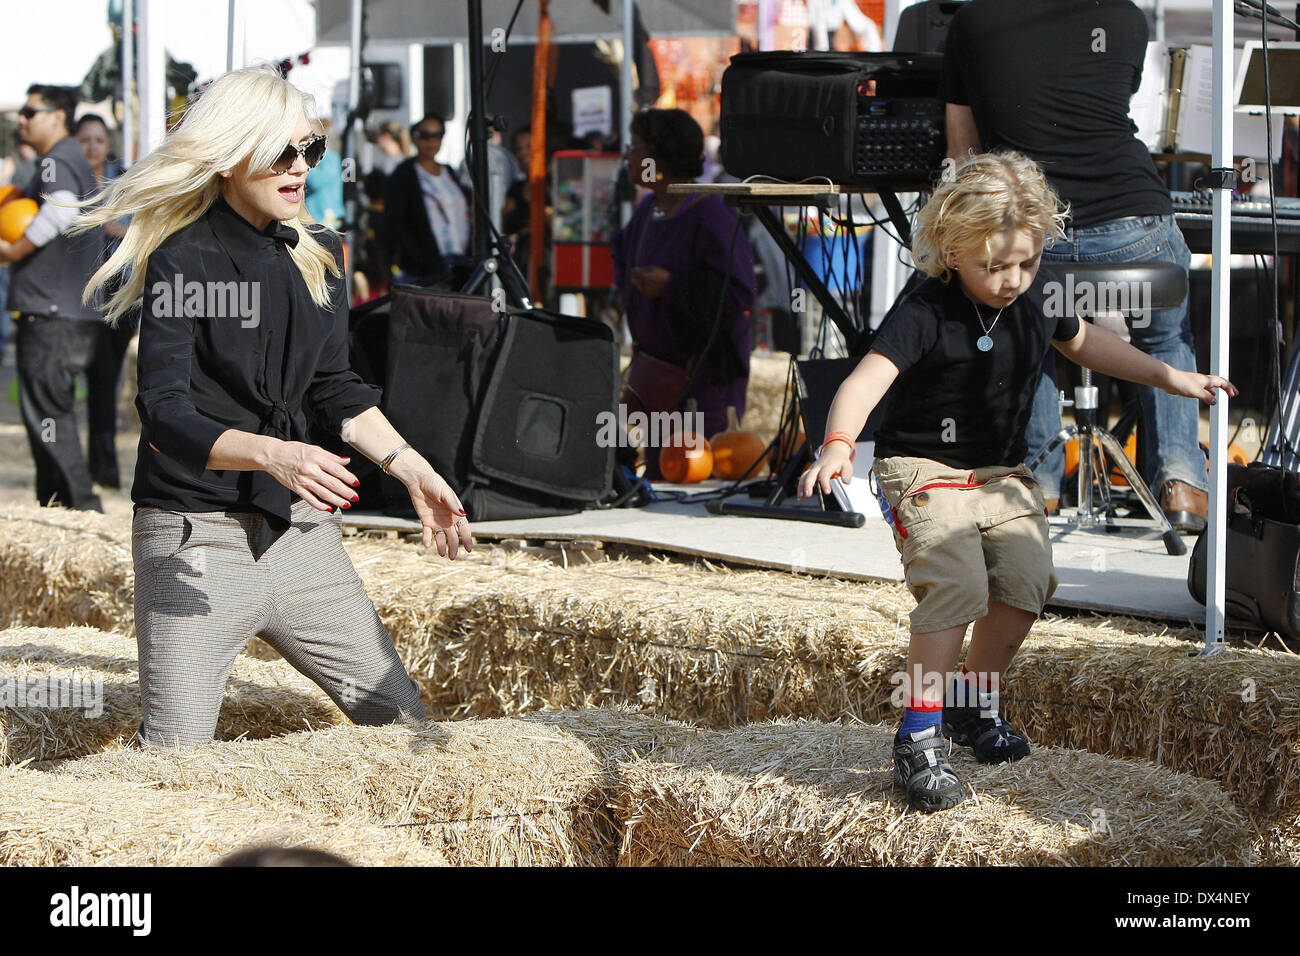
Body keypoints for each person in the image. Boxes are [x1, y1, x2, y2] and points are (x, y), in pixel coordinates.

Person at [799, 153, 1235, 812]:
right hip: (924, 467)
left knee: (1028, 582)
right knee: (957, 585)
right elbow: (866, 380)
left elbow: (1087, 343)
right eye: (992, 267)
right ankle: (918, 734)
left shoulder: (1039, 291)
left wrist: (1172, 378)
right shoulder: (925, 307)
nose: (1012, 280)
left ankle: (973, 704)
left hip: (1000, 472)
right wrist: (837, 445)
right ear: (950, 250)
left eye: (1025, 263)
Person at [74, 66, 473, 749]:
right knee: (175, 763)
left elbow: (335, 388)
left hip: (301, 539)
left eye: (310, 150)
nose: (299, 168)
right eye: (280, 152)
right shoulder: (182, 258)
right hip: (195, 538)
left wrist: (412, 468)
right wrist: (275, 453)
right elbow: (165, 414)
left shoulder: (320, 252)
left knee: (407, 731)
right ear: (230, 156)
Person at [942, 0, 1208, 531]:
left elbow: (962, 145)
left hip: (1040, 232)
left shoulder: (973, 20)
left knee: (1031, 332)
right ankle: (1181, 482)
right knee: (1163, 336)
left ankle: (1038, 485)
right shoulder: (1127, 18)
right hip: (1134, 227)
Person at [610, 109, 756, 478]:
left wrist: (671, 286)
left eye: (637, 148)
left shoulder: (710, 212)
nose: (628, 156)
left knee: (698, 478)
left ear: (663, 156)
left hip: (704, 383)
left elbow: (739, 293)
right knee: (663, 473)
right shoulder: (649, 209)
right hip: (660, 382)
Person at [0, 84, 105, 512]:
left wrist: (14, 250)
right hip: (61, 312)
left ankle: (81, 506)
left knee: (48, 416)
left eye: (30, 111)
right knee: (45, 414)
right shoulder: (68, 157)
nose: (23, 120)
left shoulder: (56, 159)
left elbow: (61, 206)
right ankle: (58, 502)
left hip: (53, 313)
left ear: (58, 116)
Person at [75, 113, 134, 489]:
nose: (92, 146)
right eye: (84, 140)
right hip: (78, 295)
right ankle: (80, 465)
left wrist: (117, 229)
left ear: (107, 143)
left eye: (98, 139)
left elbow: (147, 228)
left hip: (119, 293)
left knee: (105, 380)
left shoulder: (125, 181)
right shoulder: (67, 183)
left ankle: (105, 464)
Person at [381, 113, 470, 286]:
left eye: (437, 135)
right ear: (414, 139)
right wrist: (419, 257)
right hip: (424, 272)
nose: (431, 141)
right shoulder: (403, 175)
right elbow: (393, 225)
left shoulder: (449, 172)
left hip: (459, 264)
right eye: (424, 135)